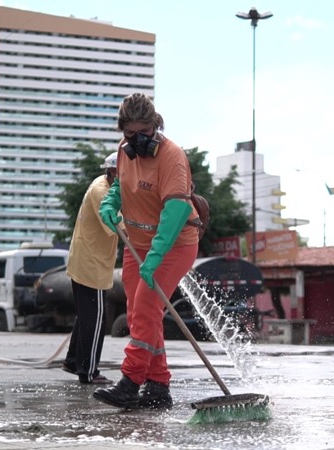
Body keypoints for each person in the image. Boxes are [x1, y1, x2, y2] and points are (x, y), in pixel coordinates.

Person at [93, 93, 201, 409]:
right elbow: (120, 186)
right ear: (122, 132)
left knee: (145, 307)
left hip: (174, 245)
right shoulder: (125, 153)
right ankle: (157, 386)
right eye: (130, 135)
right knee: (143, 311)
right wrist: (111, 204)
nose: (138, 141)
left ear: (155, 127)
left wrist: (155, 257)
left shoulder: (172, 157)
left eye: (145, 133)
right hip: (136, 244)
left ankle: (131, 381)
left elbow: (176, 208)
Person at [61, 152, 120, 385]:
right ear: (113, 171)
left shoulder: (110, 187)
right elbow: (115, 222)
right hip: (91, 264)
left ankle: (74, 360)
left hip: (92, 261)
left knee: (87, 316)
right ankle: (89, 371)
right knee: (96, 319)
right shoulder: (101, 191)